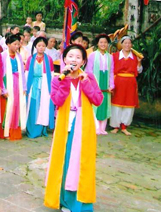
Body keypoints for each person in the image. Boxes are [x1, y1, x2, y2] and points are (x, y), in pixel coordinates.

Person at [44, 44, 103, 212]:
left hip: (84, 126)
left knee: (81, 163)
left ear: (83, 61)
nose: (74, 60)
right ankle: (65, 201)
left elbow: (98, 100)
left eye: (78, 57)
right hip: (65, 125)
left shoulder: (89, 77)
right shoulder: (58, 79)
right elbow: (57, 101)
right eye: (70, 56)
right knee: (65, 162)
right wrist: (64, 80)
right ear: (64, 59)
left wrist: (86, 84)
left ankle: (81, 202)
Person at [110, 36, 142, 136]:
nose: (127, 45)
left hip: (130, 83)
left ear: (131, 45)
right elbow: (110, 70)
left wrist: (139, 62)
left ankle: (124, 126)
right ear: (121, 44)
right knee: (116, 103)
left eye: (129, 43)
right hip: (118, 82)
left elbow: (139, 71)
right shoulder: (114, 56)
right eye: (125, 43)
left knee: (129, 103)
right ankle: (115, 126)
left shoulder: (135, 57)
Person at [25, 37, 55, 138]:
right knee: (32, 106)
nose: (41, 48)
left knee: (43, 106)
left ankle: (41, 129)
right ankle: (31, 129)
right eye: (39, 46)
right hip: (33, 85)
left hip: (44, 85)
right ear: (35, 46)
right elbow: (27, 73)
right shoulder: (31, 59)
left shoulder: (49, 59)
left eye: (43, 46)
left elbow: (51, 74)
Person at [85, 34, 114, 135]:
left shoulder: (110, 57)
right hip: (96, 81)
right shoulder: (92, 55)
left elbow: (111, 72)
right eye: (101, 42)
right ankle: (95, 126)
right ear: (97, 43)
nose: (103, 44)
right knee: (95, 103)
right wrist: (91, 83)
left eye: (105, 42)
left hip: (105, 81)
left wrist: (111, 85)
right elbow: (88, 70)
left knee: (104, 104)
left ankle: (102, 127)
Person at [1, 34, 26, 140]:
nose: (17, 46)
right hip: (8, 82)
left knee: (17, 105)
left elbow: (23, 72)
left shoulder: (18, 56)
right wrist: (3, 88)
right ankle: (6, 130)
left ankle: (15, 128)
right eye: (14, 44)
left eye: (18, 44)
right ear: (8, 44)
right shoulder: (3, 55)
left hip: (18, 82)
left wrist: (24, 87)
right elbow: (1, 73)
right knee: (8, 106)